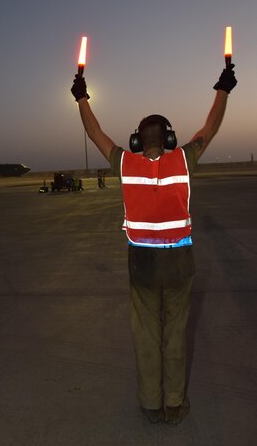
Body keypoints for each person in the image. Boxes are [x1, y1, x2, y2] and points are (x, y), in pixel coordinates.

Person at [70, 64, 237, 425]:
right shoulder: (184, 159)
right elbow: (211, 127)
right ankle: (175, 404)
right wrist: (223, 90)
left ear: (137, 140)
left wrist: (82, 97)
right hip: (179, 265)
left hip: (142, 265)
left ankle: (150, 405)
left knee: (147, 334)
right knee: (175, 334)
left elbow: (94, 131)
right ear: (170, 138)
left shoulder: (126, 165)